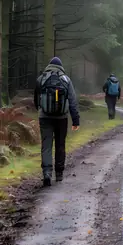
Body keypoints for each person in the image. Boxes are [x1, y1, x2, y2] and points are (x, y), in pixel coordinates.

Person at [34, 57, 80, 186]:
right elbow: (72, 101)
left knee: (46, 145)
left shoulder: (41, 79)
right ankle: (59, 174)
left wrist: (40, 109)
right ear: (61, 66)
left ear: (49, 66)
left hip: (45, 117)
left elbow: (36, 99)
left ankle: (47, 173)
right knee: (60, 144)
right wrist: (75, 120)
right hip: (62, 118)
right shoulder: (66, 79)